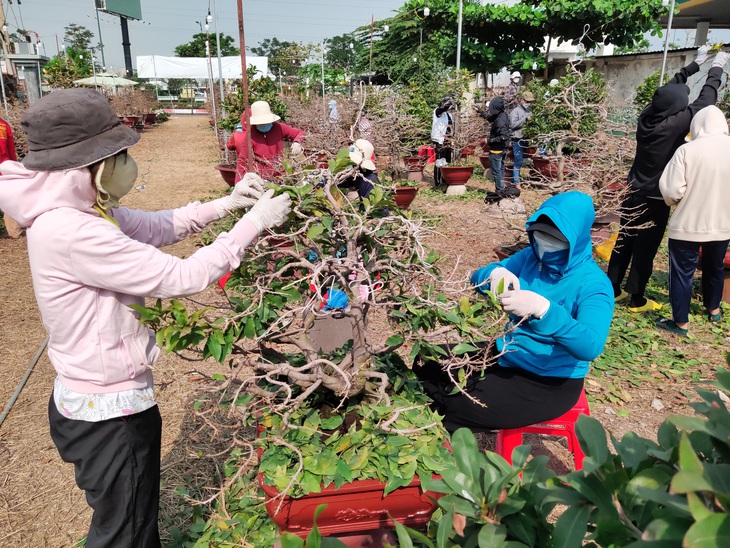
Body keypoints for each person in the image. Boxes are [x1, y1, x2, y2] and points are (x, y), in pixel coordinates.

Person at [0, 88, 292, 548]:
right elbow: (184, 276)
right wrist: (254, 223)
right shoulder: (74, 231)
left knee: (132, 526)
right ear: (90, 166)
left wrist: (228, 204)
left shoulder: (81, 210)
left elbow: (156, 226)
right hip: (110, 417)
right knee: (125, 536)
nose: (127, 164)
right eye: (119, 155)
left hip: (97, 400)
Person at [414, 191, 613, 432]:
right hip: (506, 355)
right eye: (539, 236)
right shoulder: (531, 257)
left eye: (555, 239)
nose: (544, 246)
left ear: (577, 240)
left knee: (455, 405)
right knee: (428, 362)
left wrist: (545, 311)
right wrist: (494, 274)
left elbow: (590, 345)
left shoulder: (594, 285)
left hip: (547, 381)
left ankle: (443, 455)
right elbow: (479, 276)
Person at [607, 47, 727, 313]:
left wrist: (696, 63)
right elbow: (707, 98)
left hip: (631, 193)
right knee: (645, 248)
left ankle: (612, 289)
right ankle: (636, 298)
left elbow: (665, 91)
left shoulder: (646, 118)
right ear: (677, 108)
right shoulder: (676, 124)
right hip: (654, 198)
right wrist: (717, 67)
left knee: (624, 241)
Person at [656, 106, 730, 336]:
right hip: (723, 225)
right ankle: (714, 309)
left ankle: (680, 323)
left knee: (682, 273)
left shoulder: (686, 151)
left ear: (697, 125)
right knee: (715, 267)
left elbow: (670, 191)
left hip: (687, 225)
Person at [226, 100, 306, 181]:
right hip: (260, 178)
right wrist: (238, 184)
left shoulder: (279, 128)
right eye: (261, 123)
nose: (264, 124)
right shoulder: (250, 135)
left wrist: (297, 141)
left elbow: (300, 133)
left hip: (279, 175)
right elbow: (242, 160)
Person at [476, 96, 510, 192]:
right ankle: (501, 189)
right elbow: (490, 118)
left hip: (497, 150)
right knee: (500, 170)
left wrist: (488, 141)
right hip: (502, 149)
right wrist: (480, 111)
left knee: (497, 172)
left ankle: (499, 191)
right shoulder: (501, 115)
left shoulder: (500, 121)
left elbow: (504, 137)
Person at [0, 115, 21, 238]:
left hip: (4, 168)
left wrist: (13, 166)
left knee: (10, 199)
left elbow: (11, 148)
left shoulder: (4, 125)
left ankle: (14, 232)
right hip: (5, 167)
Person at [509, 91, 535, 187]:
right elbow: (513, 125)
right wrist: (525, 120)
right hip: (517, 139)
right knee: (518, 160)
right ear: (521, 100)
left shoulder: (528, 111)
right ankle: (516, 182)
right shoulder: (515, 111)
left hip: (526, 139)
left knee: (527, 160)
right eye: (527, 101)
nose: (529, 103)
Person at [431, 95, 456, 186]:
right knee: (439, 160)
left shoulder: (448, 114)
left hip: (447, 140)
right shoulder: (437, 112)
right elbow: (442, 109)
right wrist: (449, 102)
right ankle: (437, 182)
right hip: (439, 140)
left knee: (447, 160)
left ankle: (445, 179)